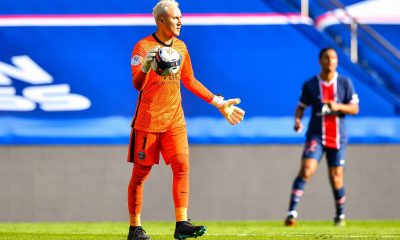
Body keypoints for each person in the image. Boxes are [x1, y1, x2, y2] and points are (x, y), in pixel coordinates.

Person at [127, 0, 245, 239]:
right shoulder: (143, 47)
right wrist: (148, 65)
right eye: (175, 18)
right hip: (148, 122)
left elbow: (189, 80)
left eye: (181, 17)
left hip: (174, 121)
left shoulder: (181, 47)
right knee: (140, 175)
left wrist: (219, 103)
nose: (180, 21)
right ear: (161, 21)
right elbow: (137, 85)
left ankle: (182, 224)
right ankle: (135, 228)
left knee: (182, 166)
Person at [284, 47, 359, 227]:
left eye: (333, 58)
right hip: (316, 135)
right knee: (307, 169)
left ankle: (340, 214)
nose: (331, 61)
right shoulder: (310, 84)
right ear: (320, 61)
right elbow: (301, 106)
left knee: (336, 177)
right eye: (327, 57)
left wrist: (338, 106)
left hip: (337, 137)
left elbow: (355, 108)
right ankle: (291, 213)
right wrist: (297, 120)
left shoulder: (344, 83)